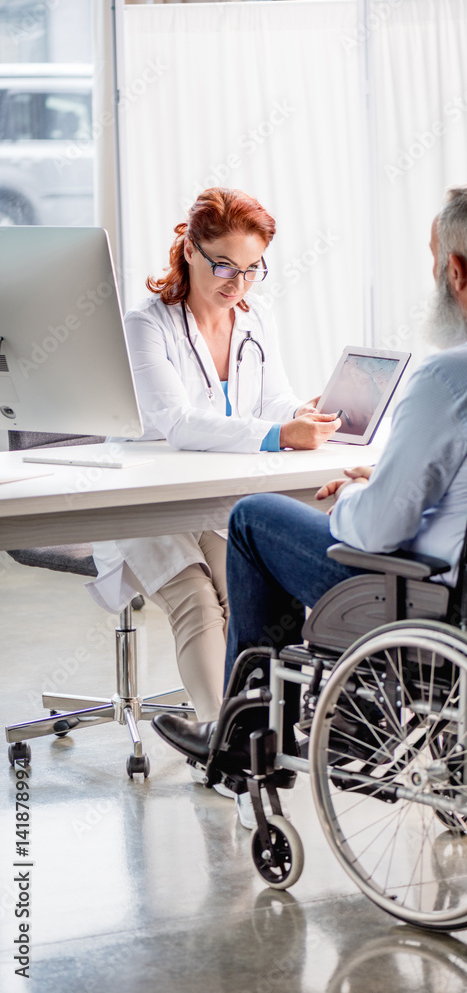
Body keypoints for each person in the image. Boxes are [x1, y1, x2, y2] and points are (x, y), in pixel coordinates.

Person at [153, 184, 467, 817]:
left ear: (455, 270)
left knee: (253, 519)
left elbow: (378, 530)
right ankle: (343, 709)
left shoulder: (455, 376)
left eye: (435, 262)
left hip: (445, 605)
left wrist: (354, 492)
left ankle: (244, 742)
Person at [87, 188, 341, 724]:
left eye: (252, 269)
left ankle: (264, 729)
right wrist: (279, 435)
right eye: (225, 266)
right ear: (189, 249)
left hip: (213, 494)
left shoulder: (253, 318)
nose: (238, 284)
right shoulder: (146, 324)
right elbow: (177, 423)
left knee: (249, 595)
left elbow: (273, 398)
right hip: (144, 494)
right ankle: (220, 739)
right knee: (197, 604)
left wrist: (301, 411)